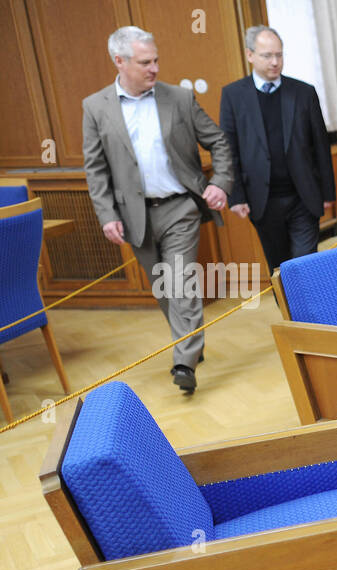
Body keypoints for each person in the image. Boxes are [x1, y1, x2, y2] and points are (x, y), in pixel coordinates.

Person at [82, 26, 233, 394]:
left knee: (180, 281)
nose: (154, 68)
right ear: (120, 62)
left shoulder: (179, 98)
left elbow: (219, 141)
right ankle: (190, 342)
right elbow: (95, 168)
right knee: (163, 289)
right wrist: (107, 214)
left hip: (180, 206)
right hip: (134, 216)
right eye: (145, 62)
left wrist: (220, 183)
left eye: (156, 60)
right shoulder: (95, 107)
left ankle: (184, 361)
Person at [219, 25, 335, 271]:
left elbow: (320, 146)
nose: (275, 62)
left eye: (279, 55)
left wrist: (327, 193)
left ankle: (308, 311)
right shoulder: (233, 95)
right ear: (250, 55)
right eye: (267, 55)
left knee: (305, 263)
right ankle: (290, 311)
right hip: (262, 200)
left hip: (303, 196)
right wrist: (236, 195)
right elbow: (229, 150)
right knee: (279, 268)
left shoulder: (304, 93)